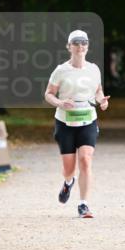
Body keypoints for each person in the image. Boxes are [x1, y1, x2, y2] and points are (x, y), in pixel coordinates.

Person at [44, 30, 110, 218]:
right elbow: (48, 94)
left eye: (84, 43)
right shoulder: (61, 70)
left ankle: (83, 204)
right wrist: (59, 103)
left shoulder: (93, 69)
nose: (80, 46)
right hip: (65, 121)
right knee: (68, 168)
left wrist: (102, 101)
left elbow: (98, 92)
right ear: (69, 46)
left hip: (88, 119)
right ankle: (68, 181)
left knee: (86, 160)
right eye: (76, 43)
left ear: (88, 46)